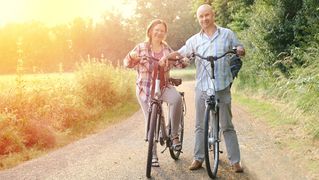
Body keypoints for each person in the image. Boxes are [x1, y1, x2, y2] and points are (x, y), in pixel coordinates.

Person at [177, 4, 245, 173]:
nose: (204, 19)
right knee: (200, 124)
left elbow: (239, 47)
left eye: (207, 15)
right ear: (198, 19)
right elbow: (182, 54)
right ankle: (198, 157)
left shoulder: (227, 34)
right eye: (201, 16)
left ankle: (235, 161)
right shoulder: (194, 40)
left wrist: (240, 50)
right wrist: (174, 59)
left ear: (213, 15)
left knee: (227, 124)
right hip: (202, 86)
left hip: (222, 84)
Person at [123, 19, 189, 167]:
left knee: (177, 99)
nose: (159, 33)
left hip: (163, 86)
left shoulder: (166, 49)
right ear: (151, 31)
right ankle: (153, 155)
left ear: (165, 34)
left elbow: (179, 61)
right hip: (145, 89)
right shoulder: (141, 47)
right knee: (151, 120)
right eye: (156, 29)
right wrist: (132, 57)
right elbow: (127, 63)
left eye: (162, 30)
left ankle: (174, 135)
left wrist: (183, 60)